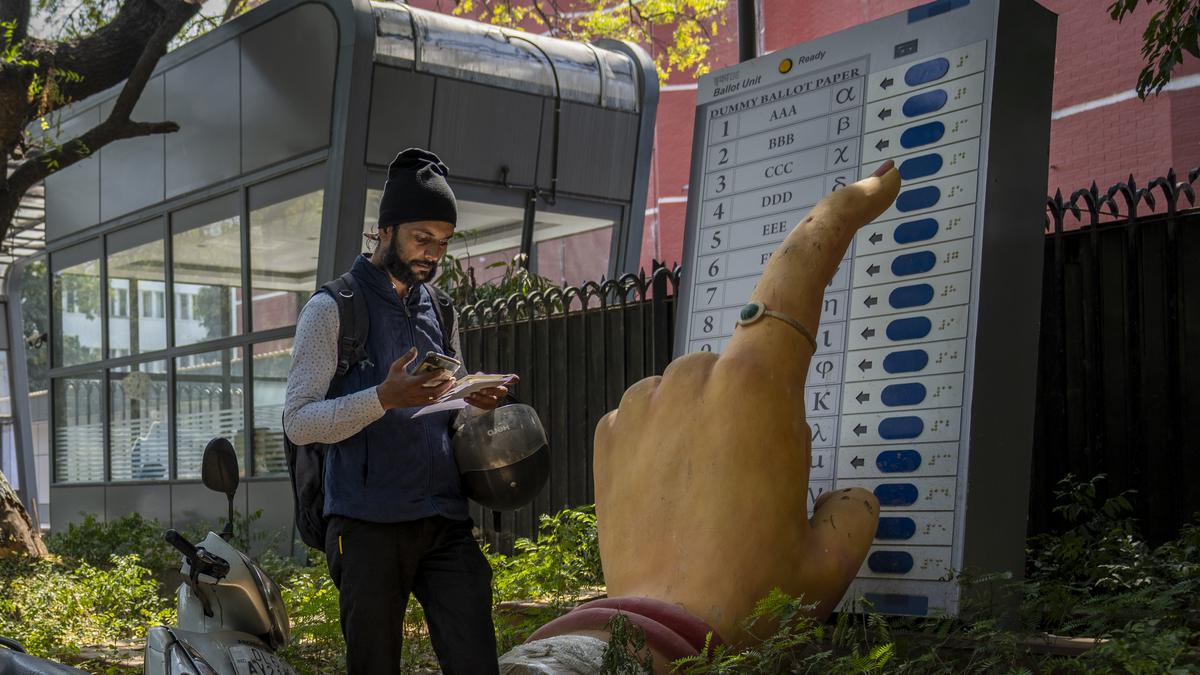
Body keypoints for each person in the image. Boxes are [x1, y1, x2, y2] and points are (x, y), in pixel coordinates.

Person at [283, 148, 509, 674]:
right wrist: (383, 397)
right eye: (421, 238)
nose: (433, 254)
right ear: (384, 231)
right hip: (367, 524)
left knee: (478, 662)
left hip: (444, 518)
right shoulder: (331, 309)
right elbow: (299, 422)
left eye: (443, 243)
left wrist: (471, 403)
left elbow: (443, 410)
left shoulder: (443, 309)